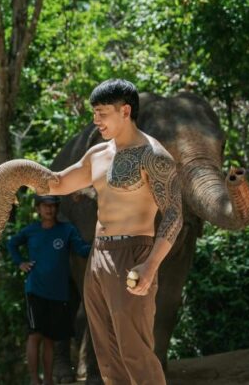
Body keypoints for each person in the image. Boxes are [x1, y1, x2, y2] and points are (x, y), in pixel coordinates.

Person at [47, 79, 183, 384]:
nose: (96, 120)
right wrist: (15, 174)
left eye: (102, 112)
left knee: (135, 353)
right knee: (107, 357)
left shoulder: (154, 156)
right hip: (98, 256)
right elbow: (59, 182)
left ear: (125, 111)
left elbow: (174, 214)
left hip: (133, 254)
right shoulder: (97, 154)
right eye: (94, 113)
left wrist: (150, 266)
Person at [8, 194, 91, 385]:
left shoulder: (67, 230)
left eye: (53, 205)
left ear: (57, 208)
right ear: (38, 209)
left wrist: (101, 245)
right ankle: (34, 379)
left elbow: (81, 249)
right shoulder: (31, 231)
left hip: (59, 293)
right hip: (35, 290)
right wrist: (20, 262)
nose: (49, 209)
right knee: (35, 335)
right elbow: (12, 243)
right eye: (45, 206)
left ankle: (48, 380)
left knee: (50, 338)